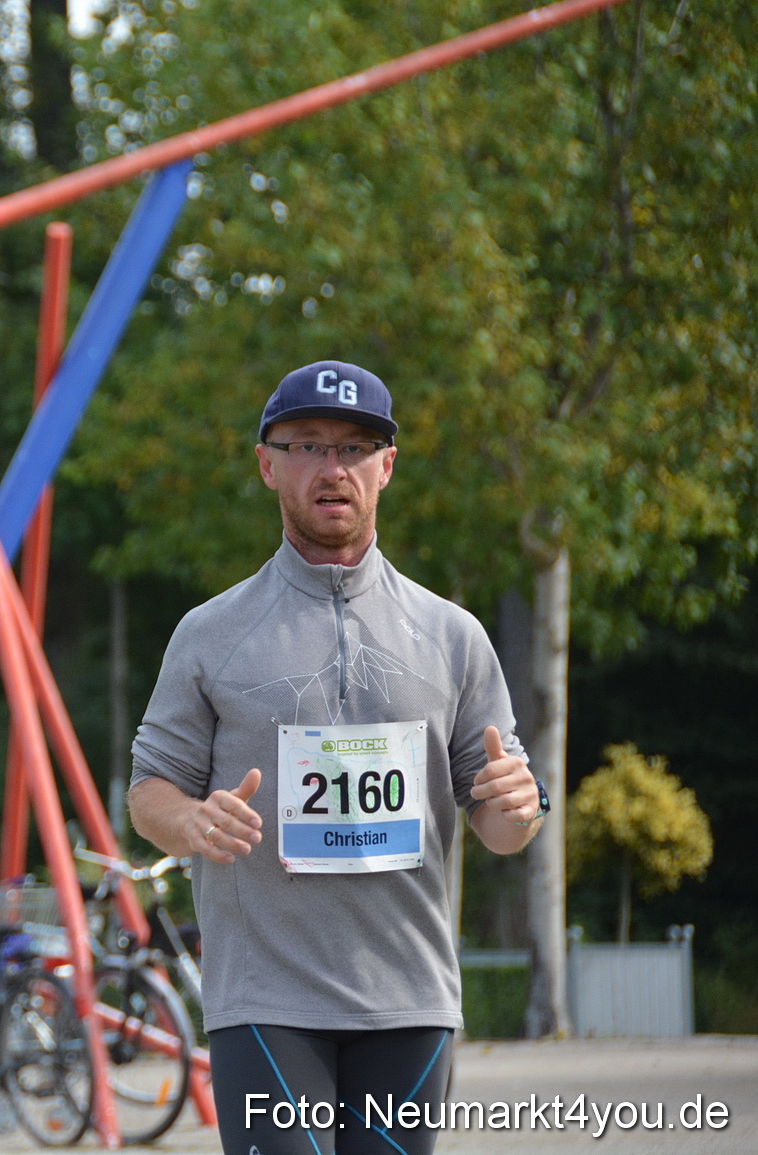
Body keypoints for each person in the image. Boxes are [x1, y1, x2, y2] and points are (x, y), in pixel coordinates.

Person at [127, 361, 545, 1155]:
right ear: (267, 463)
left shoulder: (453, 635)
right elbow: (150, 791)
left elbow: (498, 823)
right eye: (309, 444)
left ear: (386, 467)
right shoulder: (210, 633)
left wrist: (518, 805)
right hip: (264, 998)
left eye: (356, 448)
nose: (333, 468)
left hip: (411, 999)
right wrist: (193, 820)